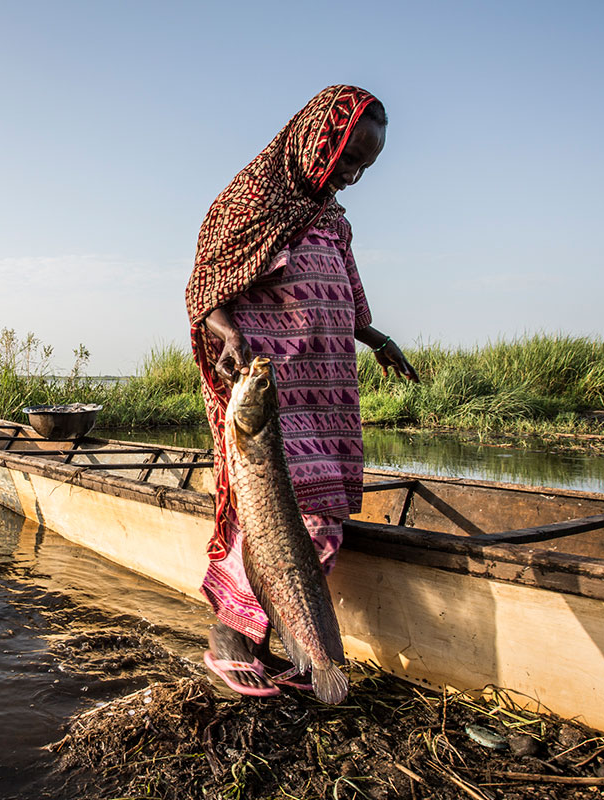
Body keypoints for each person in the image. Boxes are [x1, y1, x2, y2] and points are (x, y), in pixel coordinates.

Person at [184, 85, 419, 697]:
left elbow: (343, 292)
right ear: (318, 138)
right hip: (266, 386)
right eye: (346, 160)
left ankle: (304, 652)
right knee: (269, 512)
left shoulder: (333, 219)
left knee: (322, 515)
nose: (353, 176)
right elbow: (204, 292)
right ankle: (233, 637)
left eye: (363, 166)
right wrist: (229, 334)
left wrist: (375, 336)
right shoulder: (251, 199)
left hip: (328, 388)